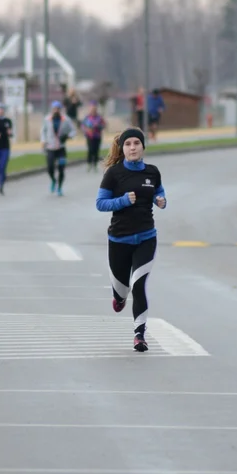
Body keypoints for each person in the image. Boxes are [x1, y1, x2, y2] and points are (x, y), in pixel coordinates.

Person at [95, 127, 167, 352]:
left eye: (137, 143)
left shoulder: (153, 172)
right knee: (122, 292)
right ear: (123, 148)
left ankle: (139, 334)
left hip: (146, 237)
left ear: (143, 146)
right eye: (128, 144)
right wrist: (123, 200)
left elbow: (160, 193)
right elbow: (100, 204)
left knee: (138, 284)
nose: (133, 147)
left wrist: (161, 200)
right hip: (119, 240)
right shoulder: (114, 174)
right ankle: (118, 296)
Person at [40, 100, 76, 196]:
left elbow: (73, 131)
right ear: (52, 109)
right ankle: (53, 180)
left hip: (61, 148)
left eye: (58, 109)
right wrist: (43, 141)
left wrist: (68, 136)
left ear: (60, 109)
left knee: (61, 168)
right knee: (50, 168)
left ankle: (59, 187)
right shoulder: (47, 119)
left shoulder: (66, 119)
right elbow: (43, 131)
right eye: (54, 109)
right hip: (50, 147)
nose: (56, 110)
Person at [80, 101, 107, 172]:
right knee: (90, 150)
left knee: (96, 150)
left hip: (97, 136)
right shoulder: (87, 117)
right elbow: (82, 126)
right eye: (91, 108)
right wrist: (86, 130)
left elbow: (104, 125)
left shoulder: (99, 117)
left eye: (94, 108)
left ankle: (95, 164)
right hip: (89, 136)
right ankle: (89, 163)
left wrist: (98, 126)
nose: (93, 109)